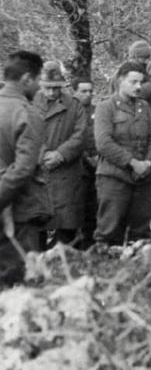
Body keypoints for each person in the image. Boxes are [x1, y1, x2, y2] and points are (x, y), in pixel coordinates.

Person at [94, 61, 151, 245]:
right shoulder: (106, 107)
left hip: (143, 180)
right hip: (114, 178)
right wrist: (132, 163)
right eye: (133, 82)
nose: (139, 87)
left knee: (141, 234)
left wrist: (148, 162)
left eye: (141, 82)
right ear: (119, 81)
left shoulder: (144, 107)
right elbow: (103, 143)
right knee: (109, 232)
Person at [0, 51, 51, 286]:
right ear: (27, 79)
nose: (40, 86)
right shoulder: (28, 114)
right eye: (39, 79)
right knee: (21, 283)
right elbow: (23, 168)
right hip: (20, 212)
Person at [34, 61, 86, 246]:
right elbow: (21, 133)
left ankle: (64, 268)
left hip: (66, 174)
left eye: (56, 88)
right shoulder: (29, 102)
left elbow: (80, 135)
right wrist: (41, 155)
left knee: (66, 226)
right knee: (35, 228)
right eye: (47, 88)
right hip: (37, 173)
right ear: (40, 85)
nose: (51, 93)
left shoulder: (74, 105)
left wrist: (60, 154)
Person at [72, 77, 97, 249]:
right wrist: (87, 158)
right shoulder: (69, 112)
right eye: (83, 91)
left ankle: (90, 243)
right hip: (77, 166)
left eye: (90, 91)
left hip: (99, 164)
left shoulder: (98, 110)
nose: (88, 95)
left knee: (94, 206)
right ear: (74, 92)